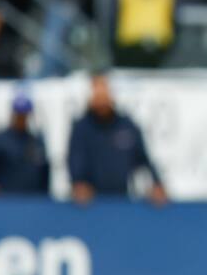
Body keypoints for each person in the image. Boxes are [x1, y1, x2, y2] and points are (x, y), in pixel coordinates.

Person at [67, 73, 167, 205]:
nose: (101, 98)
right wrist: (78, 183)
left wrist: (157, 183)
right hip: (90, 204)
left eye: (105, 91)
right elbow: (75, 160)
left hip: (122, 201)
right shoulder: (81, 128)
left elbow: (144, 158)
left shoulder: (126, 125)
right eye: (97, 92)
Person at [0, 94, 50, 197]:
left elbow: (44, 177)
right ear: (12, 114)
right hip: (1, 202)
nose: (21, 118)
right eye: (18, 114)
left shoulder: (37, 143)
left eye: (24, 115)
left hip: (31, 203)